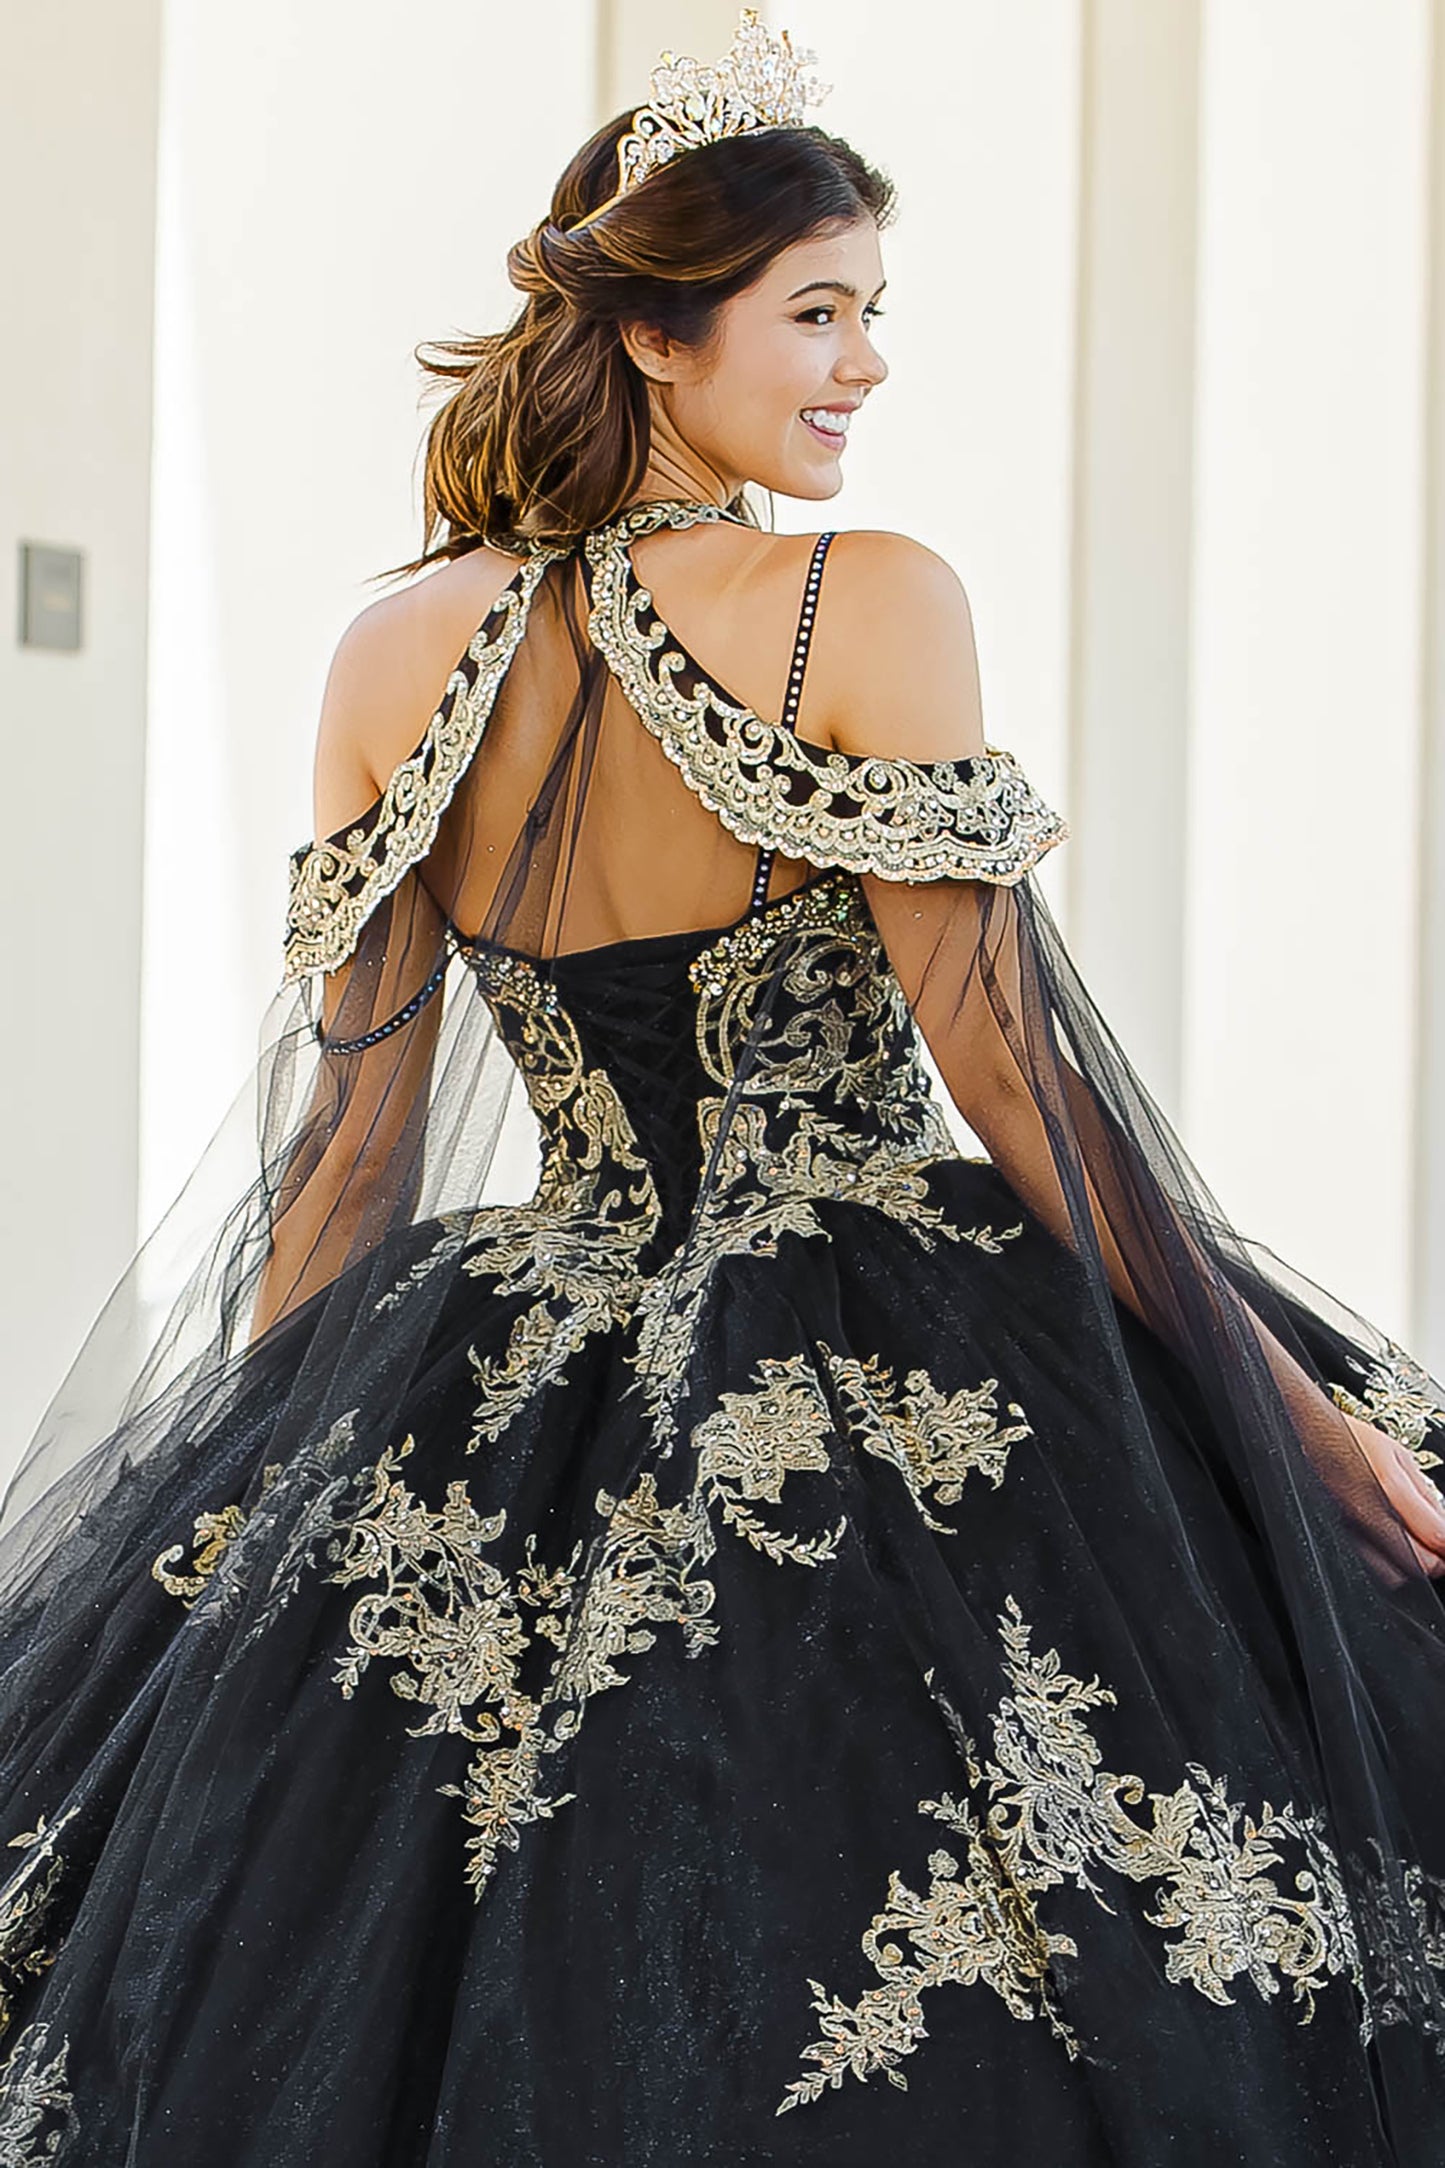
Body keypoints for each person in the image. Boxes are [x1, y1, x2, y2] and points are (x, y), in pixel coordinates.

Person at [1, 10, 1443, 2162]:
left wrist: (235, 1558)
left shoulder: (392, 655)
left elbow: (353, 1151)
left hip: (499, 1362)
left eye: (876, 314)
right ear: (664, 334)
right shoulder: (860, 598)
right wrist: (1291, 1426)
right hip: (887, 1350)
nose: (867, 366)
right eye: (821, 312)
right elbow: (1017, 1083)